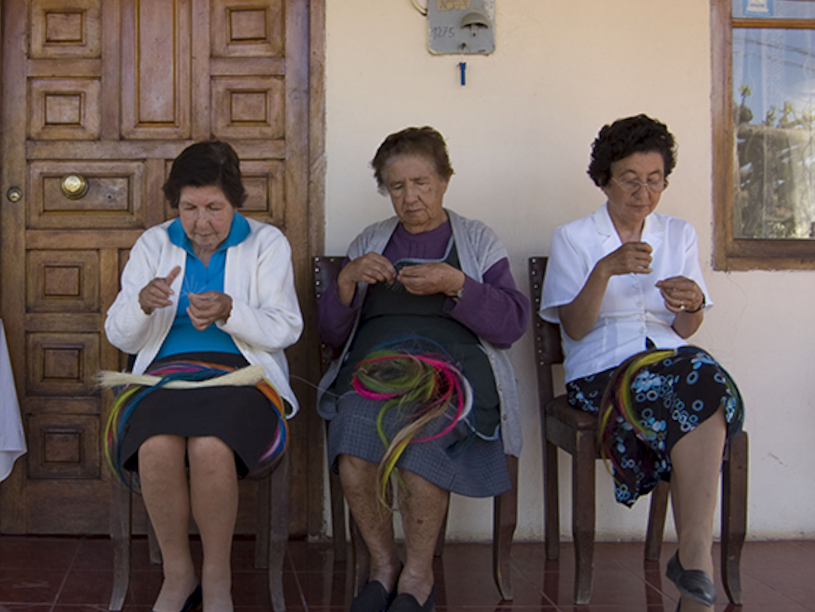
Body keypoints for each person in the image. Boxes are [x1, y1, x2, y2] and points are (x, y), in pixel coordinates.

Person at [316, 127, 529, 612]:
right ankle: (383, 566)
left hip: (455, 377)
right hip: (374, 373)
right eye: (397, 187)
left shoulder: (475, 239)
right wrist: (348, 280)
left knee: (426, 435)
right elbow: (331, 334)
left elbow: (511, 324)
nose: (410, 198)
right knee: (351, 438)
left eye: (422, 183)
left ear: (445, 180)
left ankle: (417, 577)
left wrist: (458, 284)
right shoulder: (371, 241)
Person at [540, 114, 744, 612]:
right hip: (602, 373)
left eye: (655, 181)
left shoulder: (679, 234)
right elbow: (575, 328)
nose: (643, 192)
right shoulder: (576, 237)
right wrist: (604, 270)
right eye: (631, 180)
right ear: (605, 178)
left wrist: (692, 303)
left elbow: (685, 331)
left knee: (704, 380)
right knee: (701, 383)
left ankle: (695, 559)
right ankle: (695, 562)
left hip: (671, 367)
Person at [103, 140, 302, 612]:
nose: (201, 222)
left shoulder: (265, 243)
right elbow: (121, 334)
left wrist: (232, 311)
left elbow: (286, 328)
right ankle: (178, 575)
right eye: (189, 208)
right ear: (176, 205)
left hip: (243, 375)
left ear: (235, 203)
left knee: (211, 445)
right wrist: (141, 305)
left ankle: (217, 579)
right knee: (156, 446)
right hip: (163, 377)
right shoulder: (154, 243)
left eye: (215, 208)